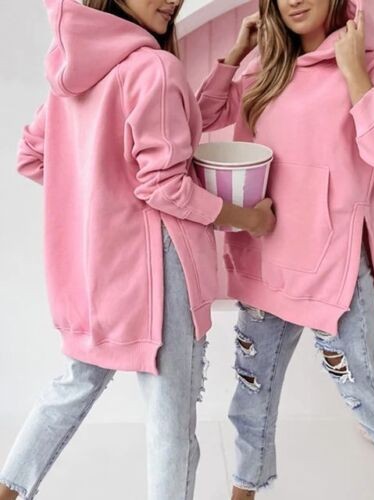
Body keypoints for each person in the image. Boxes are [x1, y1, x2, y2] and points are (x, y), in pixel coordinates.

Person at [0, 1, 275, 499]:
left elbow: (34, 156)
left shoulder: (73, 68)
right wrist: (249, 218)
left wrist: (100, 202)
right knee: (171, 421)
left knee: (78, 381)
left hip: (99, 266)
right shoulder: (153, 68)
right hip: (159, 267)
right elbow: (164, 186)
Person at [197, 0, 374, 498]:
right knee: (252, 391)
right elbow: (199, 119)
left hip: (333, 270)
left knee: (365, 390)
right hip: (264, 257)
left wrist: (355, 75)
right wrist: (235, 55)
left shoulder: (368, 66)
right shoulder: (264, 67)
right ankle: (243, 489)